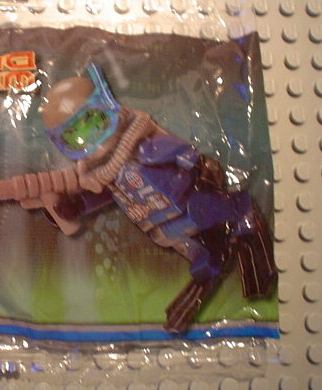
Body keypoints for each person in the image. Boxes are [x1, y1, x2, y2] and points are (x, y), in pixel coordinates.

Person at [40, 63, 277, 332]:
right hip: (167, 228)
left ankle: (244, 222)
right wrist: (76, 204)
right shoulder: (103, 174)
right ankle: (191, 305)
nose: (90, 136)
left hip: (192, 202)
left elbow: (185, 155)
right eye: (74, 134)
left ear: (106, 107)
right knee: (207, 262)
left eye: (92, 120)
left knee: (223, 220)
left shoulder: (145, 146)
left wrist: (201, 169)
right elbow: (106, 193)